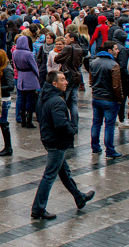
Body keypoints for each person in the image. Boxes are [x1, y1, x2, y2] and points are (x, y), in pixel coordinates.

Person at [30, 71, 95, 220]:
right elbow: (61, 124)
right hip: (56, 142)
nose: (66, 82)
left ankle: (79, 197)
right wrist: (72, 131)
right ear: (55, 84)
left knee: (64, 172)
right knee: (50, 175)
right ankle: (38, 208)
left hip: (48, 138)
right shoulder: (57, 101)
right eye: (63, 80)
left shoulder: (45, 96)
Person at [89, 42, 123, 157]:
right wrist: (120, 98)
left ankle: (95, 146)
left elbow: (90, 80)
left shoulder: (94, 62)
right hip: (109, 99)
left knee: (96, 123)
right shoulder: (114, 65)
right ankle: (109, 150)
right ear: (109, 51)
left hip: (96, 97)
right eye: (116, 49)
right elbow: (116, 86)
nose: (117, 51)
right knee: (109, 125)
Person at [13, 35, 40, 128]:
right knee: (30, 100)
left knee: (21, 99)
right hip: (30, 76)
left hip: (20, 75)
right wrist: (38, 76)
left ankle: (23, 119)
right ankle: (29, 120)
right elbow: (34, 66)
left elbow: (15, 64)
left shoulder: (15, 52)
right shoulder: (28, 54)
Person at [0, 50, 15, 157]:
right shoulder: (0, 68)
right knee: (2, 123)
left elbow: (11, 86)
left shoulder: (7, 69)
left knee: (4, 123)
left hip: (4, 100)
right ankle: (7, 147)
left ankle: (8, 147)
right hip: (0, 99)